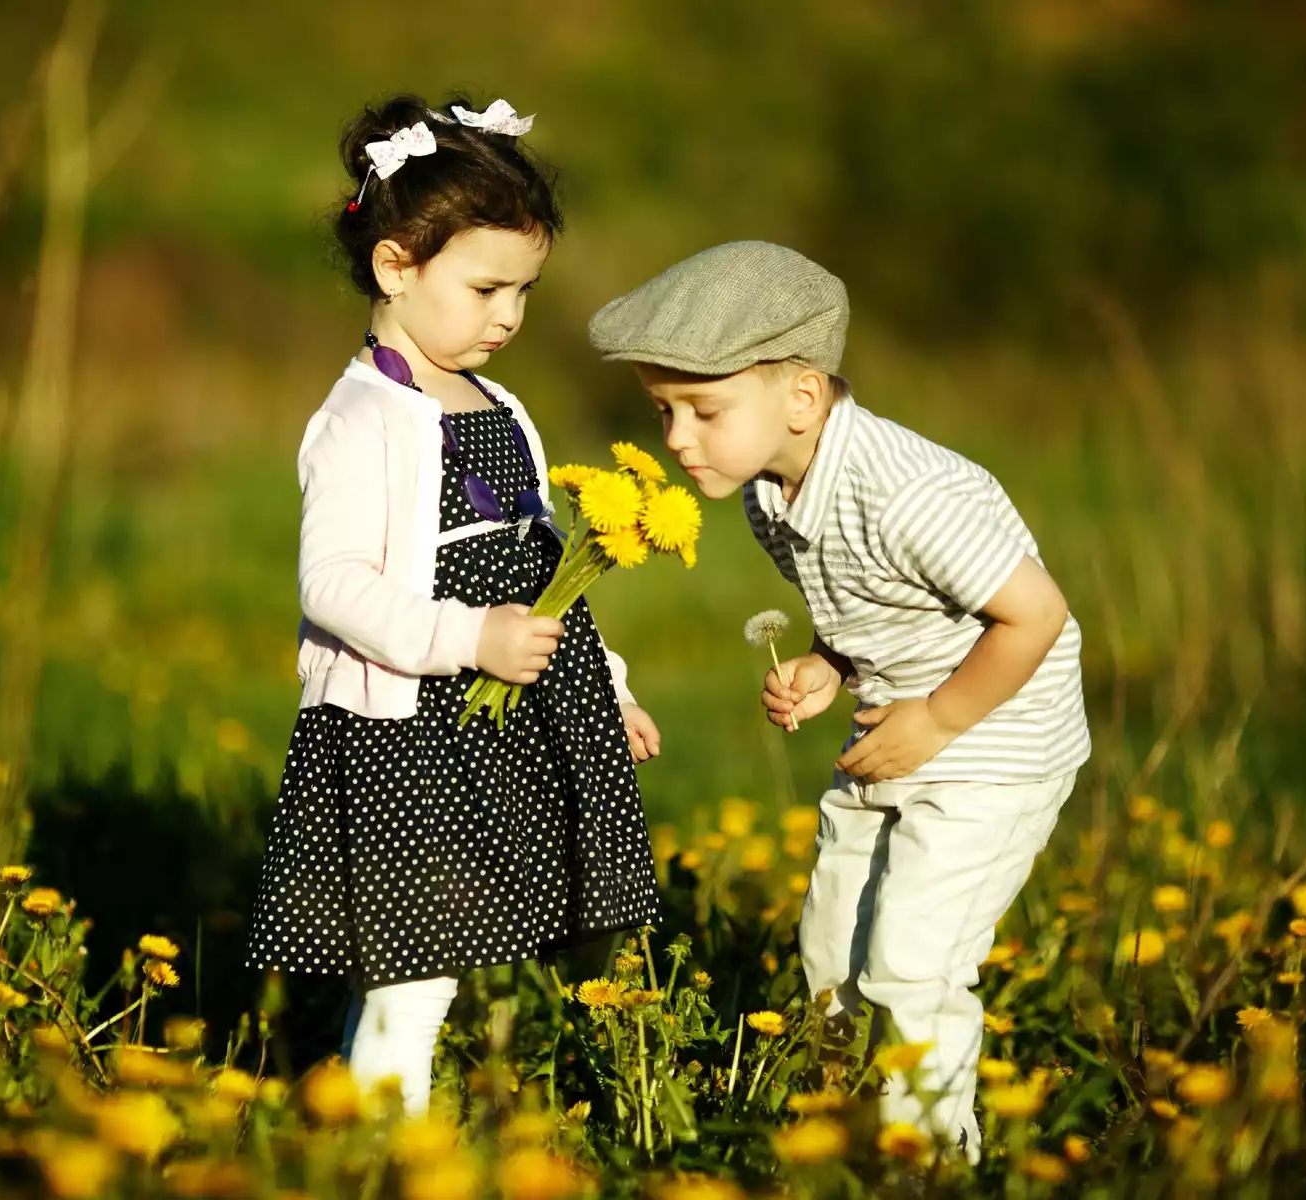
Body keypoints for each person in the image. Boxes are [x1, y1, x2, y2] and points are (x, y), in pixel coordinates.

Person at [588, 241, 1088, 1160]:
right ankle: (849, 1133)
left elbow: (1037, 616)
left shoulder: (911, 491)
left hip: (991, 741)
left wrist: (936, 721)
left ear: (802, 397)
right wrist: (829, 664)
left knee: (911, 960)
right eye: (663, 410)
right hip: (893, 729)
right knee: (830, 952)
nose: (676, 439)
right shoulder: (768, 493)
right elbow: (876, 604)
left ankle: (930, 1162)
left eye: (704, 410)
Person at [246, 94, 662, 1118]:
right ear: (396, 267)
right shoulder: (362, 416)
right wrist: (465, 636)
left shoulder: (496, 404)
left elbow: (544, 568)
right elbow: (333, 585)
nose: (508, 317)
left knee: (444, 956)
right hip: (405, 729)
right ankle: (384, 1150)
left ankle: (349, 1118)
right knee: (416, 969)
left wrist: (605, 687)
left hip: (501, 721)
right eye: (485, 288)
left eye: (523, 291)